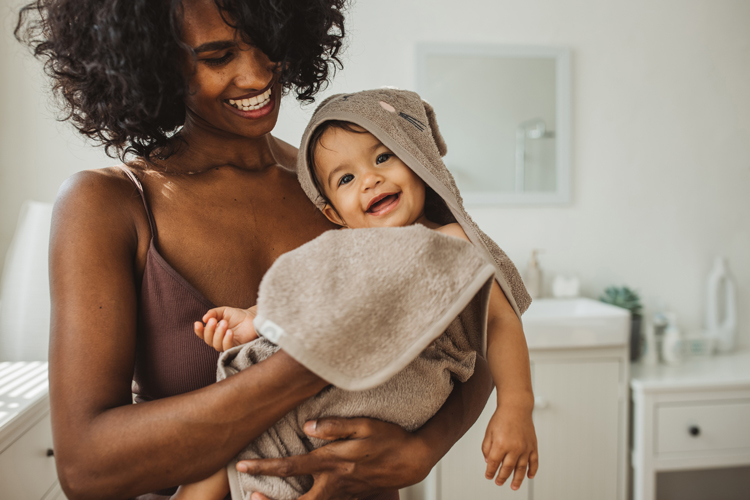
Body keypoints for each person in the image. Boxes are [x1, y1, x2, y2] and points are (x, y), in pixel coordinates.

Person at [15, 1, 520, 499]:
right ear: (153, 63)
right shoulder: (108, 203)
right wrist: (318, 356)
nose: (257, 75)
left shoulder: (343, 194)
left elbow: (478, 317)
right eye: (218, 56)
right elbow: (86, 468)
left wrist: (425, 449)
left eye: (267, 44)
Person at [176, 88, 538, 500]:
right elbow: (306, 299)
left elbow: (499, 322)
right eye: (346, 179)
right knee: (246, 407)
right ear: (334, 213)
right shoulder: (348, 252)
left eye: (383, 157)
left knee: (255, 417)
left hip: (405, 379)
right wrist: (253, 320)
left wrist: (515, 407)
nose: (370, 179)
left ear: (418, 161)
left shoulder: (451, 242)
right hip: (336, 394)